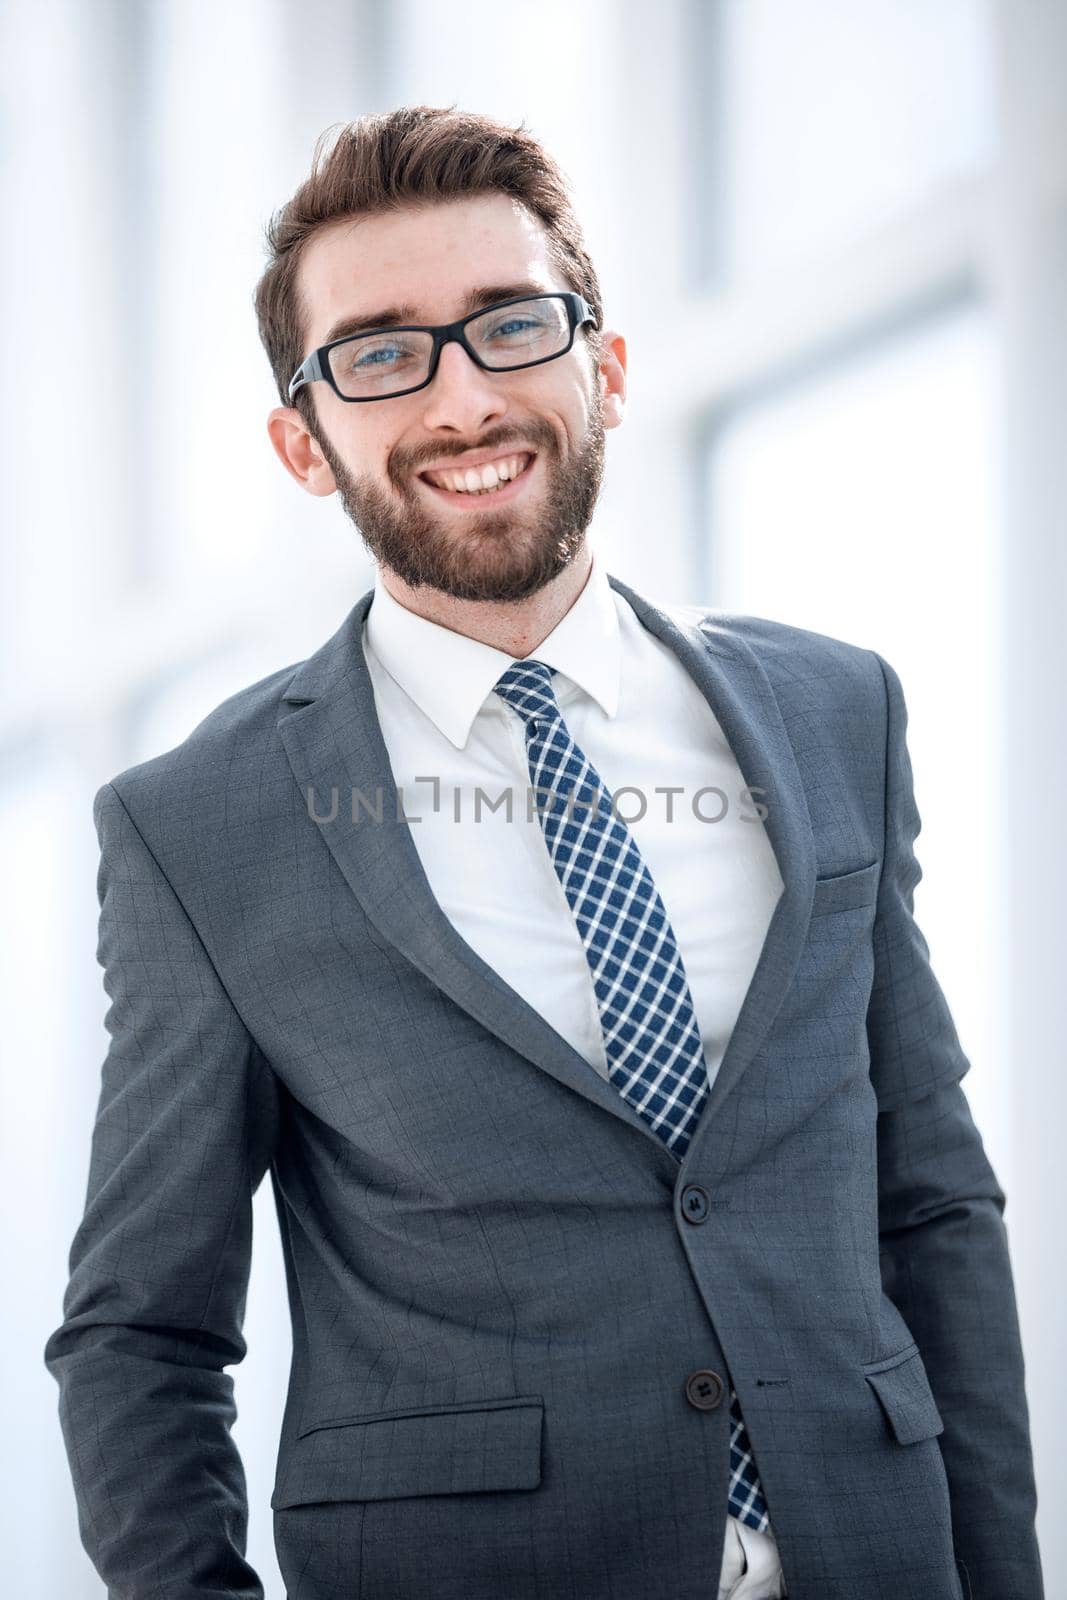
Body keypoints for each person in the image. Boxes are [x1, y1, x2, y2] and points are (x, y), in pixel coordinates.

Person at [44, 105, 1043, 1600]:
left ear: (607, 367)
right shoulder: (200, 830)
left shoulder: (840, 713)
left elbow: (932, 1202)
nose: (460, 398)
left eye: (511, 325)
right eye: (380, 353)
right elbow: (144, 1332)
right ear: (303, 444)